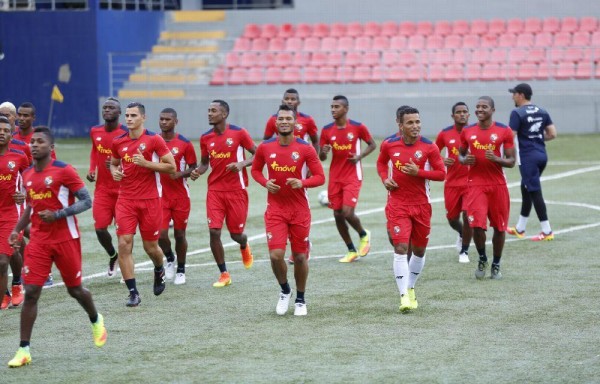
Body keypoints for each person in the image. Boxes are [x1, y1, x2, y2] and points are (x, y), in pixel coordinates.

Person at [7, 127, 107, 368]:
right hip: (39, 241)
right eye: (32, 141)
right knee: (32, 293)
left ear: (51, 148)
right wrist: (16, 229)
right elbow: (30, 207)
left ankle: (95, 319)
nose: (34, 145)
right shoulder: (29, 174)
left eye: (40, 142)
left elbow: (86, 200)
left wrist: (59, 214)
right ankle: (24, 349)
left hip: (66, 239)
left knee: (75, 290)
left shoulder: (64, 170)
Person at [251, 104, 325, 316]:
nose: (284, 121)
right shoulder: (265, 147)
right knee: (276, 255)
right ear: (276, 123)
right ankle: (285, 291)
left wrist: (302, 183)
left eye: (288, 119)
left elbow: (320, 177)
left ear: (295, 123)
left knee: (300, 257)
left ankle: (300, 299)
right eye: (280, 118)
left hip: (300, 210)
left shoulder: (306, 148)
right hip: (275, 209)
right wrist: (265, 182)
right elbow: (255, 171)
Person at [377, 106, 445, 312]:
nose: (415, 126)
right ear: (400, 125)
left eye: (417, 122)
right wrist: (385, 179)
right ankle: (403, 297)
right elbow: (381, 164)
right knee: (400, 248)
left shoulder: (429, 147)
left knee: (419, 250)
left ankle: (411, 287)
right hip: (398, 204)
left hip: (422, 206)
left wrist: (419, 172)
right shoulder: (389, 145)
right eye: (410, 122)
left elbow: (441, 174)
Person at [110, 102, 176, 307]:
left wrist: (146, 164)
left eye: (133, 115)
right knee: (124, 243)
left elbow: (171, 167)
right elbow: (113, 163)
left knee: (151, 247)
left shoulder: (154, 139)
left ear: (143, 118)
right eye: (127, 115)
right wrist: (115, 172)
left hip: (150, 201)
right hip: (126, 200)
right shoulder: (118, 142)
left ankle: (159, 268)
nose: (128, 119)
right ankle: (133, 292)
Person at [190, 100, 255, 287]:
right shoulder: (205, 137)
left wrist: (241, 164)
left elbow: (258, 153)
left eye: (214, 111)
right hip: (215, 191)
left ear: (224, 114)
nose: (209, 114)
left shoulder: (239, 133)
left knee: (236, 234)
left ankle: (244, 245)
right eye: (208, 110)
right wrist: (197, 172)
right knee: (214, 231)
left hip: (236, 191)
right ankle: (224, 273)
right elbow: (204, 163)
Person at [458, 96, 516, 280]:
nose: (480, 109)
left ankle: (496, 264)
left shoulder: (504, 131)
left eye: (484, 107)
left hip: (498, 186)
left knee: (499, 228)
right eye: (477, 107)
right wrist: (464, 160)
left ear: (492, 110)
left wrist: (497, 159)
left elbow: (511, 161)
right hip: (475, 185)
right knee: (476, 226)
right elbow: (461, 154)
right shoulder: (467, 131)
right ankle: (482, 258)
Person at [263, 88, 319, 264]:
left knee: (299, 199)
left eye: (292, 99)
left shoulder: (307, 121)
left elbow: (315, 141)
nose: (289, 101)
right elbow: (265, 142)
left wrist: (311, 165)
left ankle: (303, 244)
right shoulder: (273, 121)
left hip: (300, 166)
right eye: (286, 98)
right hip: (279, 164)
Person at [319, 95, 376, 263]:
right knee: (337, 214)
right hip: (335, 176)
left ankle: (364, 235)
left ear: (346, 108)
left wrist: (359, 157)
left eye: (336, 106)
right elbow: (321, 157)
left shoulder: (358, 127)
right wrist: (324, 151)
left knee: (347, 212)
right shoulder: (327, 129)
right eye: (332, 106)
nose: (333, 109)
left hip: (352, 175)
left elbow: (372, 144)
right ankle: (351, 250)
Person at [507, 83, 557, 241]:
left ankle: (547, 231)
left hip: (528, 157)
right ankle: (520, 228)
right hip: (542, 155)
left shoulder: (517, 113)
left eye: (514, 93)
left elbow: (510, 136)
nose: (512, 96)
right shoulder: (542, 111)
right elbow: (552, 134)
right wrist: (537, 139)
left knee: (534, 190)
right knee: (526, 187)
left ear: (521, 95)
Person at [86, 97, 128, 277]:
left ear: (119, 113)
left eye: (111, 108)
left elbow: (133, 155)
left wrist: (120, 164)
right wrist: (91, 169)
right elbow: (96, 150)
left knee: (123, 233)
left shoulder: (127, 133)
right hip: (102, 189)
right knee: (100, 228)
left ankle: (127, 268)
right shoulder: (95, 131)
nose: (107, 110)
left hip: (123, 190)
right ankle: (113, 255)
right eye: (105, 108)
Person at [158, 108, 197, 285]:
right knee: (160, 234)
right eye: (161, 119)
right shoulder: (153, 141)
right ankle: (169, 258)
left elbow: (193, 167)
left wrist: (180, 174)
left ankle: (181, 269)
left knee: (180, 235)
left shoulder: (184, 143)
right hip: (159, 196)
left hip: (181, 196)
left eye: (168, 119)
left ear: (176, 122)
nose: (164, 122)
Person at [435, 102, 474, 263]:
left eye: (465, 111)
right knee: (452, 218)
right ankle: (462, 234)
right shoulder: (444, 134)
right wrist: (443, 160)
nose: (462, 114)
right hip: (451, 183)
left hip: (471, 183)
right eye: (458, 112)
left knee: (467, 215)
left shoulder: (475, 132)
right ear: (453, 115)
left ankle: (464, 251)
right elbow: (433, 152)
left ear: (469, 115)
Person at [0, 116, 28, 310]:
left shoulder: (19, 156)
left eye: (5, 130)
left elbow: (30, 178)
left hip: (12, 213)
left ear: (12, 134)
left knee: (4, 259)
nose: (2, 133)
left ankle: (17, 283)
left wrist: (24, 193)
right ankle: (5, 294)